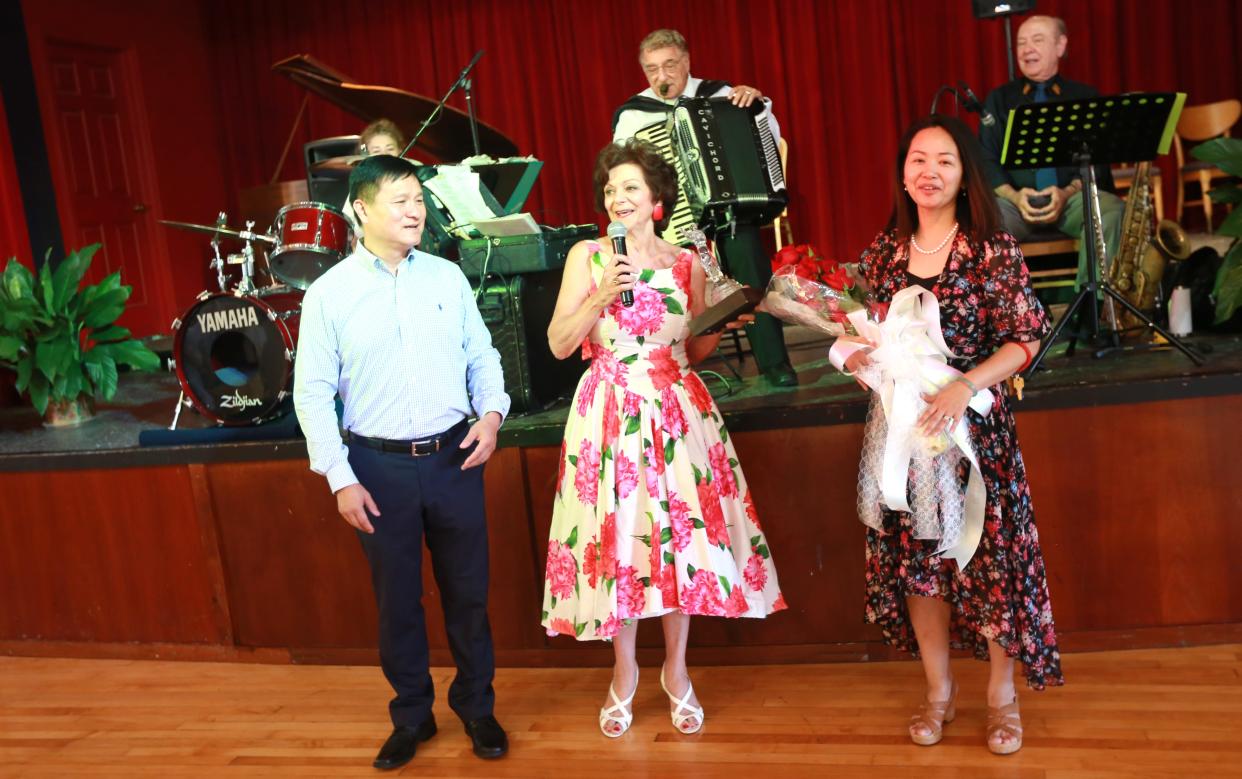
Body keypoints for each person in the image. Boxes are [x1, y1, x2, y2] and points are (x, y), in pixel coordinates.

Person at [541, 139, 786, 738]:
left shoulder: (686, 264)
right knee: (618, 542)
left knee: (677, 542)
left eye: (630, 188)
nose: (617, 198)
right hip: (609, 411)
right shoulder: (589, 256)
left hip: (677, 410)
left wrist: (725, 316)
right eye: (610, 189)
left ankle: (676, 671)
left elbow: (694, 346)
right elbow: (558, 343)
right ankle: (623, 671)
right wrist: (601, 294)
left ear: (656, 201)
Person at [844, 115, 1062, 755]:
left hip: (975, 439)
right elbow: (866, 334)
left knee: (989, 563)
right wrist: (858, 357)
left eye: (944, 160)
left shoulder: (991, 248)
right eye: (917, 159)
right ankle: (938, 691)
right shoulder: (883, 252)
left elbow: (1026, 338)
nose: (929, 172)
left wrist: (966, 385)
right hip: (907, 442)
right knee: (921, 568)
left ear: (965, 174)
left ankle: (1002, 695)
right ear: (902, 173)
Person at [293, 154, 511, 770]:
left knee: (467, 595)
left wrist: (491, 416)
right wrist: (340, 479)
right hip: (377, 467)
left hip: (455, 456)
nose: (415, 210)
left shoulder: (445, 277)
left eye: (419, 199)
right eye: (400, 200)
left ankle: (476, 706)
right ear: (361, 209)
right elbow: (311, 394)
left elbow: (482, 355)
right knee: (397, 601)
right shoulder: (328, 295)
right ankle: (412, 716)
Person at [612, 28, 797, 387]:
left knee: (745, 253)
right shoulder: (633, 117)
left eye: (670, 66)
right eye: (652, 70)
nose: (662, 77)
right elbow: (624, 177)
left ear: (686, 62)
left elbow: (766, 139)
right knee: (672, 270)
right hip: (675, 221)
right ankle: (678, 366)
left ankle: (775, 364)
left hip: (729, 212)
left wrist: (759, 106)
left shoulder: (723, 95)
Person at [978, 14, 1122, 290]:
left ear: (1060, 46)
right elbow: (986, 160)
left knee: (1111, 210)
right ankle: (1010, 319)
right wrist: (1014, 195)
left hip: (1071, 198)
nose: (1027, 48)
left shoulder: (1084, 96)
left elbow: (1098, 165)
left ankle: (1094, 310)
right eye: (1021, 42)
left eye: (1037, 40)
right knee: (985, 221)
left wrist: (1066, 192)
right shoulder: (999, 99)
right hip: (1015, 202)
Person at [342, 119, 407, 237]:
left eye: (390, 149)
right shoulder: (361, 184)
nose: (384, 155)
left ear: (400, 151)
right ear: (366, 156)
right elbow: (349, 225)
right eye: (377, 151)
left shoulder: (412, 180)